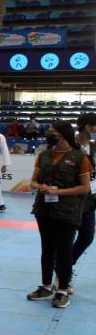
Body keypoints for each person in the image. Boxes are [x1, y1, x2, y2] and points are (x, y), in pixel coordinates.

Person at [26, 122, 92, 309]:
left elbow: (85, 187)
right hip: (44, 210)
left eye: (53, 132)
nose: (49, 135)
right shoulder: (44, 155)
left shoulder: (80, 158)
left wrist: (58, 192)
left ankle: (62, 290)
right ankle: (46, 287)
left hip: (68, 211)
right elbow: (33, 181)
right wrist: (41, 187)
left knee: (64, 251)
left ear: (63, 134)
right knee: (47, 249)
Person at [69, 113, 96, 286]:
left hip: (91, 198)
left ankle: (66, 265)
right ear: (88, 127)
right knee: (68, 237)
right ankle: (63, 274)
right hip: (73, 198)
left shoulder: (93, 147)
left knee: (87, 237)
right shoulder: (71, 146)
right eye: (95, 126)